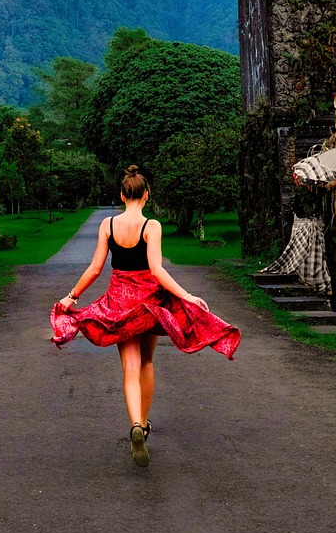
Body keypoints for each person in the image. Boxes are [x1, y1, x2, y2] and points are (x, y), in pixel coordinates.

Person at [50, 165, 241, 468]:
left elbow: (96, 268)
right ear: (147, 196)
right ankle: (144, 424)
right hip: (149, 301)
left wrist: (71, 296)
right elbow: (157, 269)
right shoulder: (151, 226)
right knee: (148, 362)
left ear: (122, 195)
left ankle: (136, 425)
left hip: (120, 301)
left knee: (130, 367)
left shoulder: (108, 225)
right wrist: (186, 295)